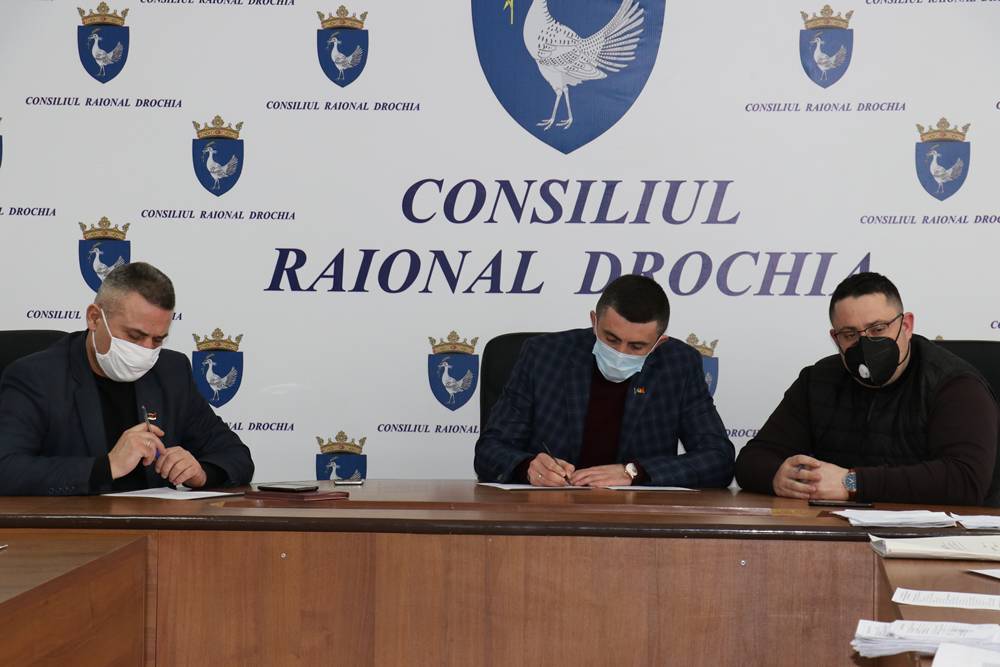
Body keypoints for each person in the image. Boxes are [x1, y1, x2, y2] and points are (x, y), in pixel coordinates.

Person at [735, 272, 999, 506]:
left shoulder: (954, 384)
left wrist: (851, 483)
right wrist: (777, 476)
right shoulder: (818, 380)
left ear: (906, 326)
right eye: (850, 334)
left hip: (938, 537)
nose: (865, 344)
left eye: (878, 329)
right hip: (838, 531)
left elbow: (966, 481)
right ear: (835, 338)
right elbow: (752, 460)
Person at [0, 262, 254, 495]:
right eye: (134, 336)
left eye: (158, 340)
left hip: (156, 524)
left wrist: (201, 472)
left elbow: (235, 455)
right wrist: (107, 466)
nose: (146, 350)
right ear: (94, 318)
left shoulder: (172, 371)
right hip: (75, 525)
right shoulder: (36, 377)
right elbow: (7, 469)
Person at [474, 275, 734, 488]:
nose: (620, 353)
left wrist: (634, 472)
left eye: (636, 346)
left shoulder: (679, 365)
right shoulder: (543, 355)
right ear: (594, 321)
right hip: (549, 509)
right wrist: (528, 467)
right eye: (611, 339)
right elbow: (489, 450)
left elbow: (718, 459)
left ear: (659, 343)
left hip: (636, 516)